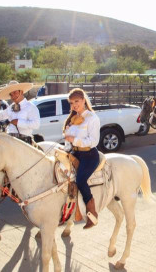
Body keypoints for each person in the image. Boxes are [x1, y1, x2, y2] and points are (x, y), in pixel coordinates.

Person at [63, 88, 100, 229]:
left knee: (80, 180)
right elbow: (68, 140)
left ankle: (92, 213)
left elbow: (93, 141)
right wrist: (66, 147)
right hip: (75, 153)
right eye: (71, 103)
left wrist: (75, 139)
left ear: (84, 100)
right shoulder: (72, 119)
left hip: (89, 155)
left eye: (77, 101)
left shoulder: (92, 118)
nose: (74, 105)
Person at [0, 80, 40, 145]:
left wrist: (18, 122)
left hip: (25, 141)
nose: (13, 95)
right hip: (10, 139)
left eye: (15, 92)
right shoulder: (11, 107)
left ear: (21, 92)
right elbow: (1, 116)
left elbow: (36, 124)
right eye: (11, 94)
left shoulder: (30, 107)